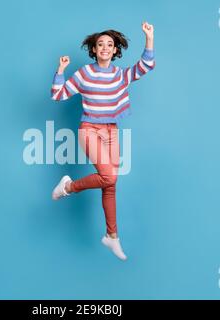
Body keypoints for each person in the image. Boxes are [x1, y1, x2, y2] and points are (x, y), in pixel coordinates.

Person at [50, 22, 155, 260]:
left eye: (110, 44)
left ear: (116, 50)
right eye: (101, 44)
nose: (105, 47)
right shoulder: (85, 73)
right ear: (94, 50)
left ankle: (112, 236)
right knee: (109, 176)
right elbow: (58, 94)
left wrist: (149, 37)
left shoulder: (120, 76)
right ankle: (67, 187)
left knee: (110, 184)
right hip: (89, 129)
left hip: (111, 131)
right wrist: (60, 70)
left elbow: (146, 65)